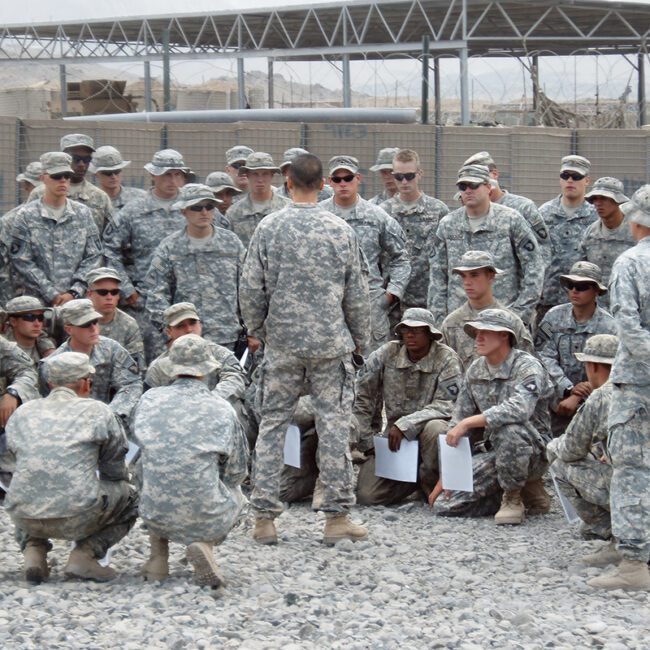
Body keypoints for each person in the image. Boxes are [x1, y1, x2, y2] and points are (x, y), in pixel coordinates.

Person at [240, 153, 370, 546]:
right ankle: (336, 518)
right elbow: (357, 293)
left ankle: (264, 518)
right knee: (334, 427)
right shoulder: (340, 229)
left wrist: (258, 330)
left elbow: (251, 286)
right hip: (330, 344)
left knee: (272, 425)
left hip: (282, 342)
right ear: (324, 184)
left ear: (288, 182)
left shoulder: (269, 227)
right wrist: (360, 340)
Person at [1, 351, 138, 584]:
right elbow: (114, 469)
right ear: (85, 383)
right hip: (78, 515)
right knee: (131, 497)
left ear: (50, 383)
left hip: (23, 515)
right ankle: (84, 555)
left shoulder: (23, 412)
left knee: (31, 484)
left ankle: (34, 551)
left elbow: (17, 458)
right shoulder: (98, 412)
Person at [134, 334, 248, 588]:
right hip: (205, 512)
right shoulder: (221, 408)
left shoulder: (148, 400)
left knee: (149, 465)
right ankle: (204, 542)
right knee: (237, 493)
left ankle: (157, 559)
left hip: (153, 510)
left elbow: (138, 445)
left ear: (170, 367)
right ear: (207, 369)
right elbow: (237, 471)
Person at [432, 309, 552, 524]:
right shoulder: (476, 369)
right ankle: (523, 494)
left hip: (531, 450)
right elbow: (458, 420)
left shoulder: (527, 366)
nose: (478, 338)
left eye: (485, 332)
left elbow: (520, 409)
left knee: (510, 429)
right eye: (476, 332)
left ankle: (513, 497)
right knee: (445, 504)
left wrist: (470, 422)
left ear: (505, 335)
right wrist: (448, 474)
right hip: (494, 450)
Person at [587, 186, 650, 591]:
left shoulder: (630, 262)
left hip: (639, 382)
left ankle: (633, 563)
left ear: (636, 220)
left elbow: (627, 326)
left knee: (631, 469)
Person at [354, 308, 462, 505]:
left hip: (427, 435)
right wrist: (368, 442)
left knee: (436, 428)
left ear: (430, 334)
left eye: (417, 330)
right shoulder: (387, 353)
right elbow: (362, 397)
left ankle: (432, 483)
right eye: (405, 330)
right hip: (395, 441)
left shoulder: (446, 358)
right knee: (367, 496)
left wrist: (407, 424)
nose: (410, 335)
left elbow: (448, 404)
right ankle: (412, 481)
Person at [428, 163, 544, 327]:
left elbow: (534, 268)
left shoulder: (511, 220)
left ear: (489, 187)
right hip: (459, 323)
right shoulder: (448, 225)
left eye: (474, 185)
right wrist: (440, 321)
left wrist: (519, 315)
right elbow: (437, 277)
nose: (468, 190)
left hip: (503, 322)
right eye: (463, 186)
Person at [102, 148, 187, 361]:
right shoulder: (133, 211)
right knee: (150, 363)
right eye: (166, 174)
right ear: (153, 175)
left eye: (177, 174)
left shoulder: (193, 208)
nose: (172, 180)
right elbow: (110, 248)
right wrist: (127, 289)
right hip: (146, 304)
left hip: (187, 299)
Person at [320, 155, 410, 352]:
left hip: (369, 308)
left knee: (370, 366)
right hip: (328, 307)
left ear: (358, 179)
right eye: (337, 179)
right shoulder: (319, 216)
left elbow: (401, 257)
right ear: (329, 182)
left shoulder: (376, 216)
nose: (343, 184)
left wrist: (391, 295)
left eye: (348, 178)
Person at [145, 184, 246, 351]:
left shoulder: (232, 243)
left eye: (209, 206)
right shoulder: (170, 247)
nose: (204, 212)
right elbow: (156, 294)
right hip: (185, 339)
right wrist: (167, 334)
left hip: (226, 336)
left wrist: (250, 329)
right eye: (197, 207)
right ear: (183, 211)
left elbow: (247, 289)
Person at [546, 334, 617, 557]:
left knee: (559, 462)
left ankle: (610, 531)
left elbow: (570, 450)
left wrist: (553, 445)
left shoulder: (600, 397)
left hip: (633, 491)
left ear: (593, 366)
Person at [9, 152, 102, 306]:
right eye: (57, 176)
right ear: (43, 178)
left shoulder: (83, 213)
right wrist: (51, 293)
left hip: (77, 303)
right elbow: (21, 260)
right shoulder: (26, 215)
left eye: (67, 175)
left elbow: (94, 255)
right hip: (38, 304)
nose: (63, 180)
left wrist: (74, 291)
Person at [144, 302, 249, 440]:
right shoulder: (158, 367)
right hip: (179, 426)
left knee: (234, 406)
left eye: (193, 323)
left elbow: (235, 379)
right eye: (180, 326)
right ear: (168, 331)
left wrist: (208, 402)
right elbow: (151, 405)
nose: (189, 330)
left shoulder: (220, 354)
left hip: (218, 418)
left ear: (200, 325)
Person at [535, 261, 616, 435]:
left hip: (594, 405)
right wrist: (567, 388)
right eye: (570, 285)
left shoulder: (610, 327)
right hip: (554, 401)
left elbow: (612, 370)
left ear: (596, 291)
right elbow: (542, 356)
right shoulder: (552, 317)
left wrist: (578, 394)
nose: (574, 291)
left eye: (582, 286)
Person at [47, 299, 142, 428]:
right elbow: (50, 405)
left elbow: (131, 383)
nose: (93, 329)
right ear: (69, 329)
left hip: (111, 421)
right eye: (86, 324)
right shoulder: (54, 364)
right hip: (69, 426)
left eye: (95, 321)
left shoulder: (112, 349)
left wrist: (112, 415)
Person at [440, 250, 534, 371]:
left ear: (490, 276)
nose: (467, 282)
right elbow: (443, 369)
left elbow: (528, 367)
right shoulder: (451, 324)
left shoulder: (511, 322)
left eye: (474, 275)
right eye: (463, 276)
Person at [380, 149, 448, 313]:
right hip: (392, 303)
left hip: (427, 301)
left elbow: (446, 258)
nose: (404, 182)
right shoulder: (382, 213)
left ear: (419, 174)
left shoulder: (438, 211)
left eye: (409, 176)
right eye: (399, 176)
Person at [538, 155, 598, 320]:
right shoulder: (544, 213)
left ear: (587, 180)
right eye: (565, 176)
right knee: (545, 337)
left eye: (576, 176)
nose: (570, 181)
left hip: (584, 304)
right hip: (548, 300)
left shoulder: (596, 216)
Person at [463, 151, 551, 256]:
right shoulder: (468, 210)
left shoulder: (523, 207)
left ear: (494, 174)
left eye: (481, 176)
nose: (476, 183)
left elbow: (543, 248)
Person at [28, 134, 114, 234]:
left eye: (86, 159)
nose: (82, 164)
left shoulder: (100, 197)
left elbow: (111, 236)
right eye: (76, 159)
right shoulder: (40, 193)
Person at [580, 177, 635, 309]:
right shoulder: (590, 233)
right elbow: (582, 273)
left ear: (617, 200)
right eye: (595, 199)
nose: (598, 203)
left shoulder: (635, 231)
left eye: (604, 198)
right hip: (598, 310)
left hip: (629, 308)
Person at [85, 267, 145, 373]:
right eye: (103, 292)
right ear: (89, 294)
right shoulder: (76, 319)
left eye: (114, 292)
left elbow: (135, 369)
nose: (109, 297)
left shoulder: (129, 324)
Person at [225, 152, 289, 248]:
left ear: (272, 175)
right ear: (247, 175)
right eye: (255, 174)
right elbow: (229, 248)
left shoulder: (287, 208)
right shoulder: (234, 213)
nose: (260, 179)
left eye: (265, 174)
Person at [89, 145, 147, 211]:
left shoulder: (141, 197)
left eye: (117, 171)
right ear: (96, 174)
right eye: (107, 172)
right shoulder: (89, 201)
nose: (113, 176)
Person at [3, 296, 55, 365]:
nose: (37, 324)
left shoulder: (45, 345)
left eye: (40, 317)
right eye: (30, 317)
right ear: (13, 321)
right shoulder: (3, 350)